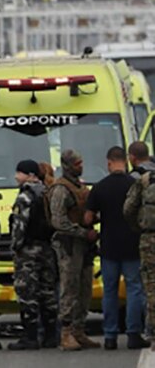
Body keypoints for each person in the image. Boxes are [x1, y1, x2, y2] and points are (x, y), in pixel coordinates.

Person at [85, 147, 146, 350]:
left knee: (109, 291)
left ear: (109, 162)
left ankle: (110, 336)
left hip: (109, 247)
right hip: (132, 245)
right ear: (125, 161)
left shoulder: (100, 187)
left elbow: (88, 218)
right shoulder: (135, 185)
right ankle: (133, 333)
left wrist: (99, 218)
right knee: (134, 289)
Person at [49, 149, 100, 351]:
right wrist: (82, 233)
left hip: (84, 245)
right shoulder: (61, 189)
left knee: (85, 289)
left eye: (81, 162)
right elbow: (58, 221)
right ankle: (66, 332)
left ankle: (79, 330)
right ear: (67, 166)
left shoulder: (81, 187)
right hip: (69, 245)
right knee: (69, 288)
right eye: (77, 164)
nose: (81, 166)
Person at [6, 160, 58, 351]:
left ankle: (30, 337)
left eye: (19, 173)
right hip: (48, 248)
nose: (16, 177)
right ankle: (51, 336)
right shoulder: (47, 192)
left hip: (29, 251)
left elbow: (19, 226)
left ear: (30, 175)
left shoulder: (25, 196)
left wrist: (15, 247)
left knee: (27, 292)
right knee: (47, 292)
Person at [123, 148, 155, 351]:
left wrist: (139, 228)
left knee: (150, 286)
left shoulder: (142, 180)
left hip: (149, 238)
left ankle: (152, 332)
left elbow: (128, 209)